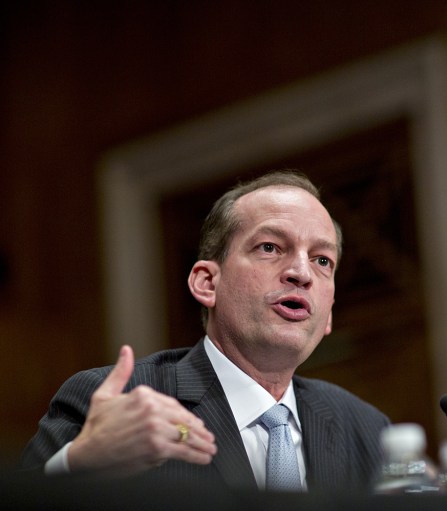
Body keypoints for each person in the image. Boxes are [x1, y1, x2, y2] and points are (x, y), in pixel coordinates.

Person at [21, 170, 390, 493]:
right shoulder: (120, 403)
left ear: (328, 313)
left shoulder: (367, 430)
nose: (301, 273)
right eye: (270, 247)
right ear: (207, 283)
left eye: (322, 260)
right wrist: (81, 465)